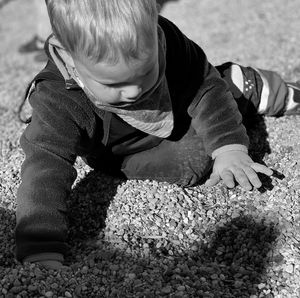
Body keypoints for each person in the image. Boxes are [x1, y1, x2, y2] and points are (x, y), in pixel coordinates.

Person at [15, 0, 300, 270]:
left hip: (178, 105)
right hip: (120, 151)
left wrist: (230, 148)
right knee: (193, 162)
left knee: (222, 91)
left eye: (146, 72)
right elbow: (45, 165)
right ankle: (236, 89)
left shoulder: (164, 38)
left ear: (154, 32)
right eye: (114, 83)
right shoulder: (58, 98)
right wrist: (41, 245)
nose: (134, 91)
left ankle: (249, 87)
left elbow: (203, 87)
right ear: (69, 58)